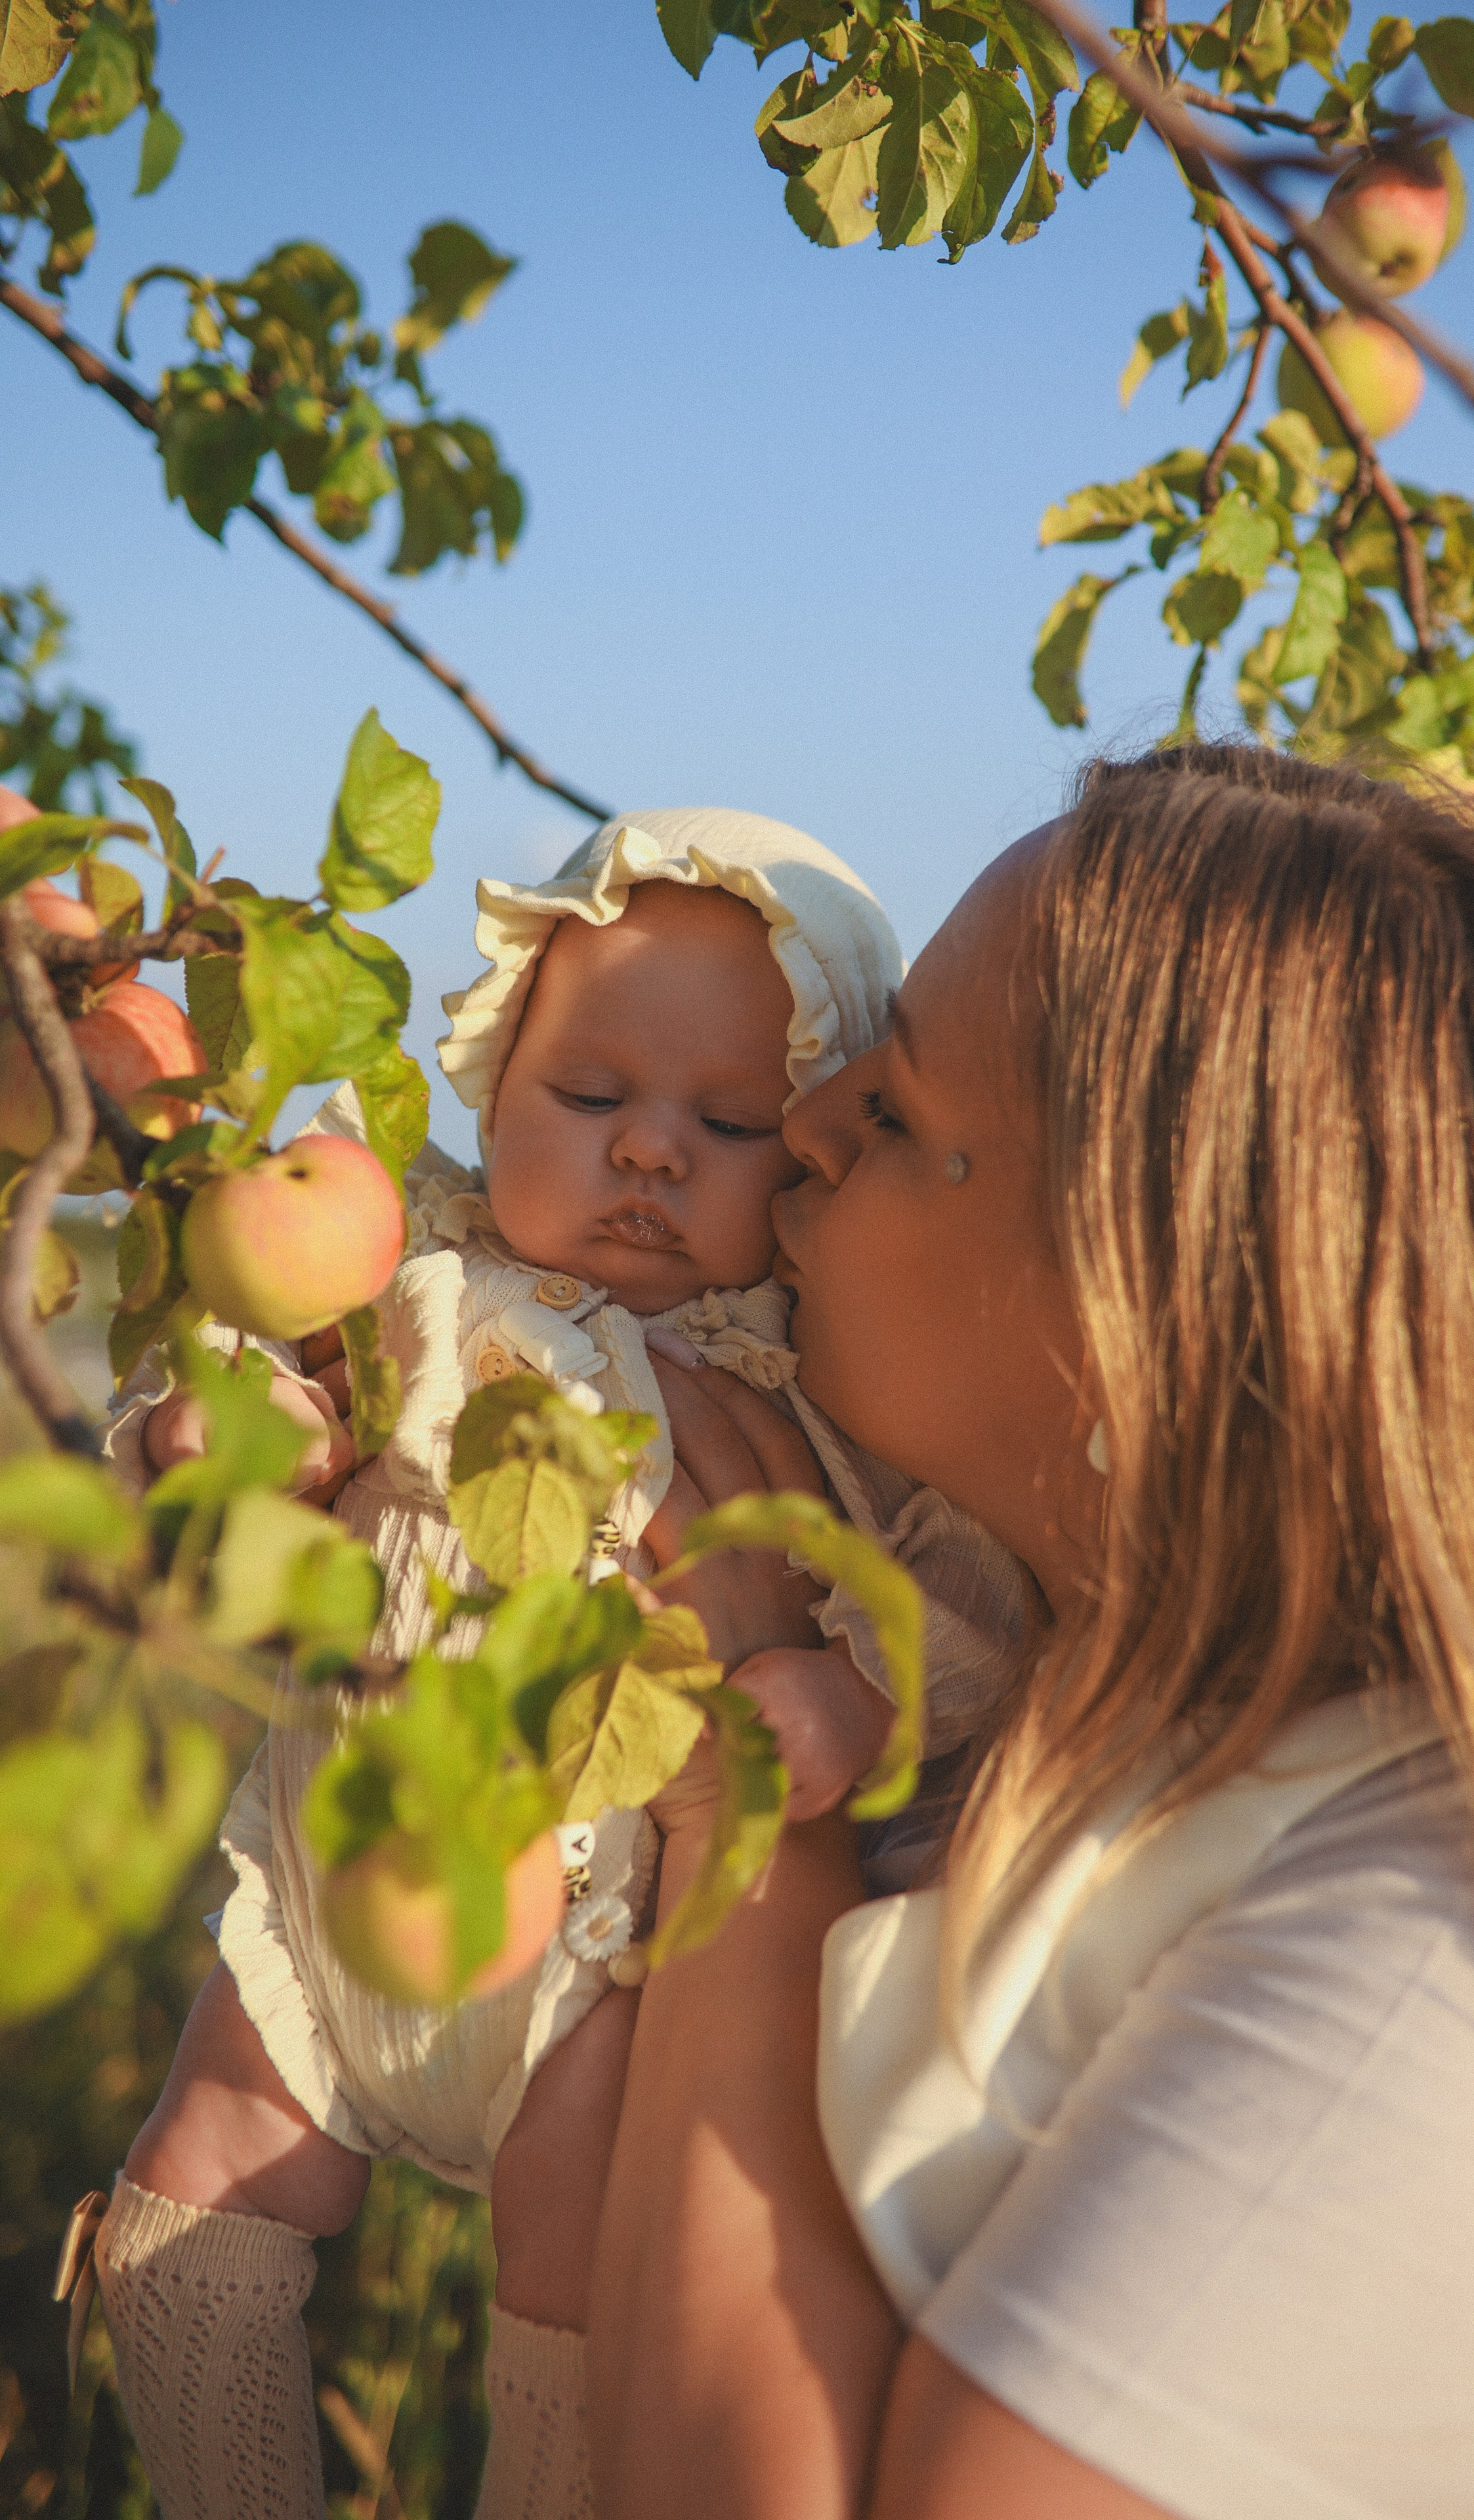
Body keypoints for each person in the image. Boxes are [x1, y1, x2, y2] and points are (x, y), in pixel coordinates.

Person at [580, 746, 1474, 2519]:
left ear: (1129, 1316)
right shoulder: (1082, 1722)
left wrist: (751, 1814)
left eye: (903, 1121)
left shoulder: (1446, 1936)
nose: (803, 1119)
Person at [91, 808, 1028, 2520]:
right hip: (328, 1896)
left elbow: (958, 1596)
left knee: (578, 2264)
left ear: (808, 1147)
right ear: (493, 1080)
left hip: (588, 1972)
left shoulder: (803, 1390)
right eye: (590, 1101)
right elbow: (267, 1390)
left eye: (733, 1122)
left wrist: (856, 1694)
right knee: (197, 2172)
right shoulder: (407, 1280)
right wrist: (238, 1441)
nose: (652, 1153)